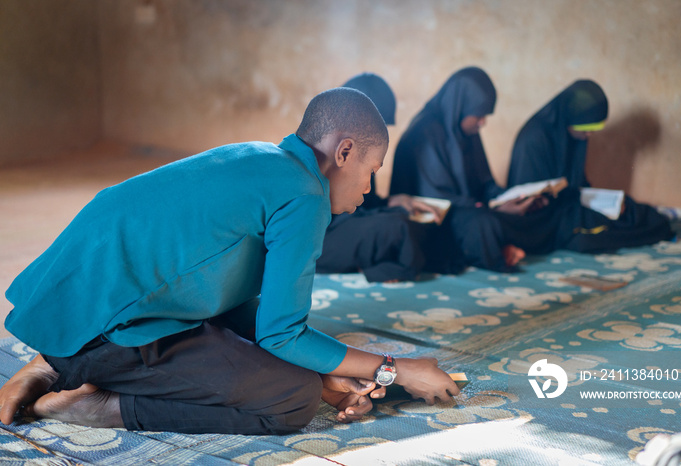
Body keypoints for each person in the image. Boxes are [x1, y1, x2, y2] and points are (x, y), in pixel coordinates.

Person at [0, 88, 459, 435]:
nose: (366, 189)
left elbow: (265, 319)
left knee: (275, 332)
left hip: (71, 306)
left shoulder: (261, 156)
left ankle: (52, 363)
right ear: (343, 153)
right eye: (370, 171)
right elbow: (283, 335)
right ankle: (94, 405)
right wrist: (396, 368)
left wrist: (330, 372)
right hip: (103, 334)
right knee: (292, 398)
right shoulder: (304, 197)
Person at [390, 67, 556, 273]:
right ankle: (499, 249)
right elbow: (434, 197)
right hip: (437, 216)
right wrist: (488, 207)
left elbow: (485, 182)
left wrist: (507, 199)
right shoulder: (423, 133)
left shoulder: (467, 131)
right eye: (478, 115)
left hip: (473, 208)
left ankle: (500, 246)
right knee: (482, 224)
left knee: (541, 210)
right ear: (460, 106)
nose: (483, 122)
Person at [508, 79, 673, 252]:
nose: (588, 135)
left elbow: (576, 184)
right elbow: (529, 203)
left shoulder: (573, 135)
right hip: (546, 219)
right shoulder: (533, 139)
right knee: (587, 236)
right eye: (585, 129)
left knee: (634, 212)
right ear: (569, 118)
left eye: (593, 130)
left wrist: (604, 202)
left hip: (572, 204)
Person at [316, 73, 444, 282]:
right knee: (396, 228)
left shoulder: (361, 146)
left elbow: (364, 203)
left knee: (409, 221)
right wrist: (384, 213)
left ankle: (373, 261)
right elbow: (336, 214)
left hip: (351, 226)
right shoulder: (331, 145)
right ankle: (378, 269)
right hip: (322, 241)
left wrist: (395, 201)